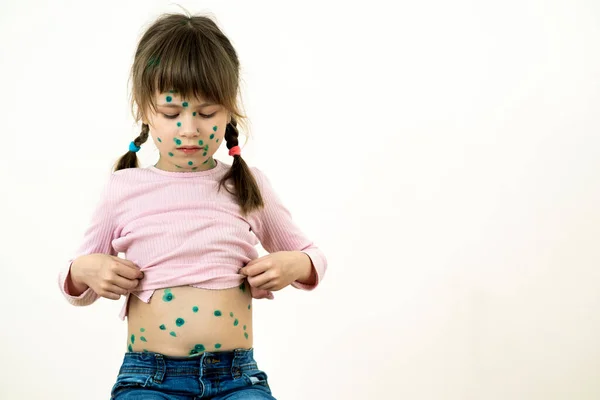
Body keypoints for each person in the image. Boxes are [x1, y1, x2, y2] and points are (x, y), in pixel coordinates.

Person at [57, 12, 327, 400]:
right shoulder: (123, 188)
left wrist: (294, 264)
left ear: (229, 110)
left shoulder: (245, 185)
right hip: (149, 379)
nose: (189, 128)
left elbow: (311, 255)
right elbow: (74, 284)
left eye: (206, 113)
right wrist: (86, 269)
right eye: (171, 113)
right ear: (145, 110)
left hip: (237, 378)